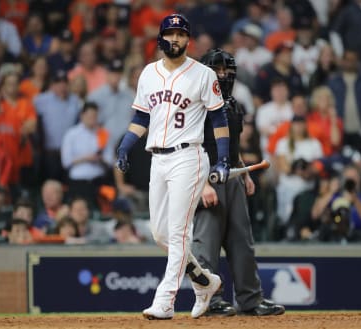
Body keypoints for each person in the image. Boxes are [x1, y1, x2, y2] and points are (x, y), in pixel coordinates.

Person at [115, 14, 228, 320]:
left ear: (188, 40)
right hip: (158, 159)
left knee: (178, 232)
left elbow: (218, 119)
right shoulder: (149, 73)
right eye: (170, 33)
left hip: (188, 157)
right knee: (160, 233)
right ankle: (204, 281)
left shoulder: (203, 74)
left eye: (181, 34)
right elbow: (141, 118)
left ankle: (165, 301)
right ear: (160, 38)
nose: (175, 39)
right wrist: (126, 145)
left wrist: (223, 158)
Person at [189, 48, 285, 317]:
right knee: (206, 242)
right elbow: (190, 147)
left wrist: (244, 172)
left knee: (242, 241)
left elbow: (233, 146)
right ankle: (210, 299)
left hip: (232, 174)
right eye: (217, 69)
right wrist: (202, 184)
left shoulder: (232, 105)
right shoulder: (195, 105)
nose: (223, 74)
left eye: (227, 70)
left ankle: (250, 299)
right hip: (206, 174)